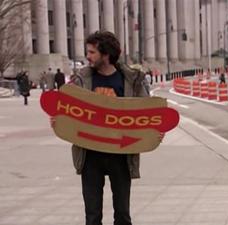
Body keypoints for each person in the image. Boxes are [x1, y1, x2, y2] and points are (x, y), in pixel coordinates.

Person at [51, 31, 162, 225]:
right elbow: (68, 111)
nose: (88, 56)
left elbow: (147, 113)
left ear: (106, 54)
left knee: (122, 214)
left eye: (92, 52)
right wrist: (59, 122)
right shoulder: (81, 80)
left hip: (121, 154)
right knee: (92, 216)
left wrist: (154, 132)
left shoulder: (131, 80)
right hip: (90, 154)